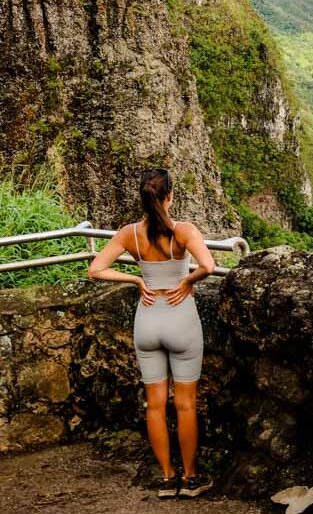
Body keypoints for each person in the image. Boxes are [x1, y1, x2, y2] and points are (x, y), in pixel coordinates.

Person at [88, 167, 216, 498]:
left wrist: (136, 279)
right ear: (170, 196)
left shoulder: (129, 234)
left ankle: (166, 478)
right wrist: (187, 282)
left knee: (155, 405)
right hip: (180, 318)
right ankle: (190, 479)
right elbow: (209, 266)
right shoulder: (184, 231)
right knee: (185, 404)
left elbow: (96, 269)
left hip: (147, 319)